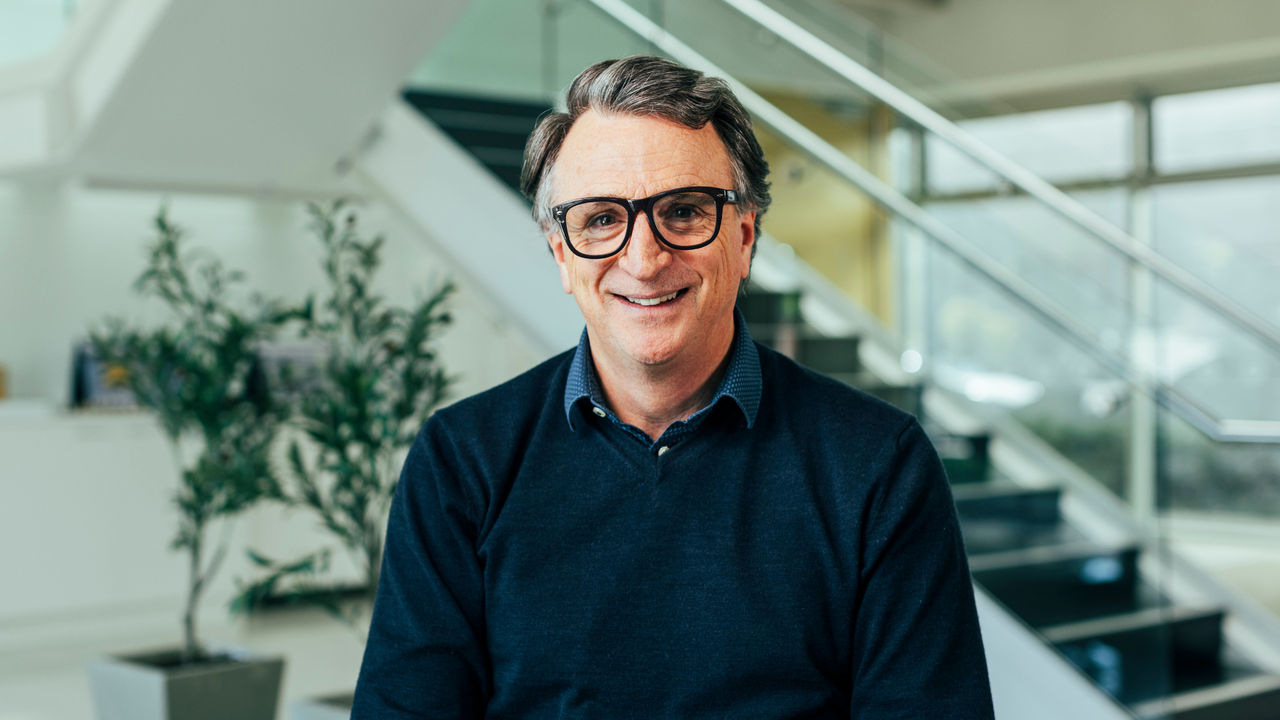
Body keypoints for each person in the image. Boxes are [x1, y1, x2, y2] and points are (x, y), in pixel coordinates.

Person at [351, 55, 994, 719]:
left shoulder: (877, 465)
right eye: (601, 219)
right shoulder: (463, 461)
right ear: (561, 256)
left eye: (684, 211)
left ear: (744, 239)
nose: (644, 258)